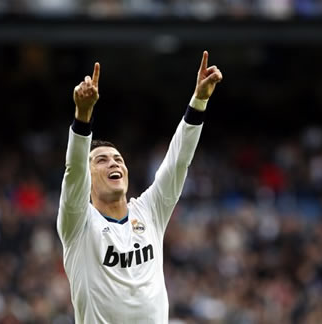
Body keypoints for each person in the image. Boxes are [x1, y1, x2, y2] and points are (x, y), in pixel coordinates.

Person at [57, 51, 222, 323]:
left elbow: (177, 163)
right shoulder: (78, 224)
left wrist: (199, 100)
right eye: (102, 160)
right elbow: (73, 171)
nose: (114, 164)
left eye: (118, 159)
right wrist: (83, 116)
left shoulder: (149, 211)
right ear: (88, 178)